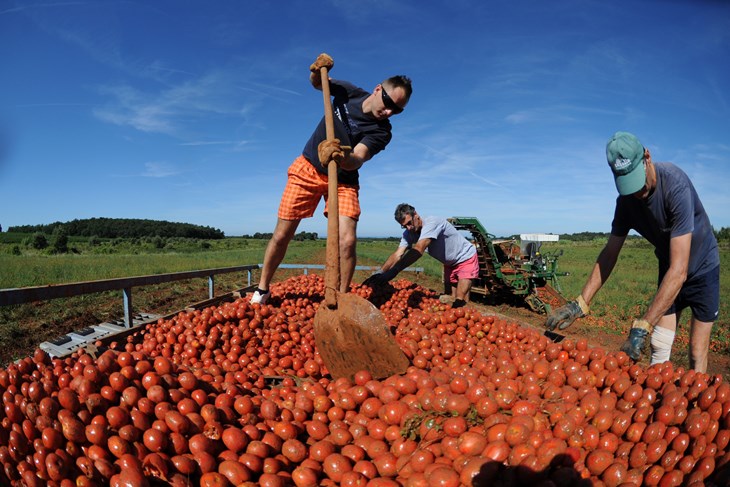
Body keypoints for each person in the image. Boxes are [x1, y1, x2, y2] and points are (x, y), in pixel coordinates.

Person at [545, 131, 720, 372]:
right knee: (659, 344)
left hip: (702, 268)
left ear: (647, 157)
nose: (637, 191)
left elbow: (681, 270)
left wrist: (643, 325)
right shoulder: (626, 202)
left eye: (637, 179)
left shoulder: (675, 185)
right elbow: (610, 253)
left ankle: (696, 401)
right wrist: (580, 303)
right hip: (670, 266)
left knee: (696, 350)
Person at [250, 54, 412, 305]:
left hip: (344, 179)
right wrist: (316, 71)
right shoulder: (350, 93)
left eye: (397, 110)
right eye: (389, 102)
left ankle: (342, 299)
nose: (389, 111)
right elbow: (318, 83)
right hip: (308, 168)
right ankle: (262, 289)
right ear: (378, 89)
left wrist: (341, 156)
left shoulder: (382, 132)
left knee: (347, 241)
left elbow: (359, 156)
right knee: (283, 234)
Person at [364, 203, 480, 308]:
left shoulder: (432, 223)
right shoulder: (408, 233)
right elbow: (398, 254)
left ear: (416, 215)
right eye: (404, 226)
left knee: (460, 300)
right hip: (449, 263)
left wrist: (393, 272)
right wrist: (380, 273)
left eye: (409, 223)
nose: (408, 228)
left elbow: (419, 249)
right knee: (449, 297)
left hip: (465, 257)